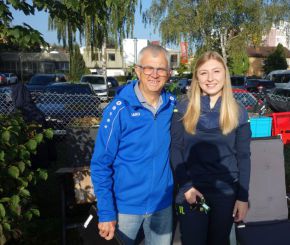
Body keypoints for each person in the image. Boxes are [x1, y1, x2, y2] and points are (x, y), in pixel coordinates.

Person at [90, 44, 176, 244]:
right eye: (148, 68)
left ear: (168, 73)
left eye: (161, 69)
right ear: (137, 70)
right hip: (124, 208)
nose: (154, 74)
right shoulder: (119, 110)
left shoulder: (173, 106)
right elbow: (101, 164)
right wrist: (106, 212)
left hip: (162, 206)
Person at [171, 51, 251, 245]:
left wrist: (243, 198)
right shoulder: (183, 107)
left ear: (225, 74)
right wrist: (187, 187)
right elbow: (175, 149)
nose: (210, 78)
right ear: (196, 77)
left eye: (216, 71)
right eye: (203, 72)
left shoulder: (238, 112)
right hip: (191, 194)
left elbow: (244, 157)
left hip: (225, 194)